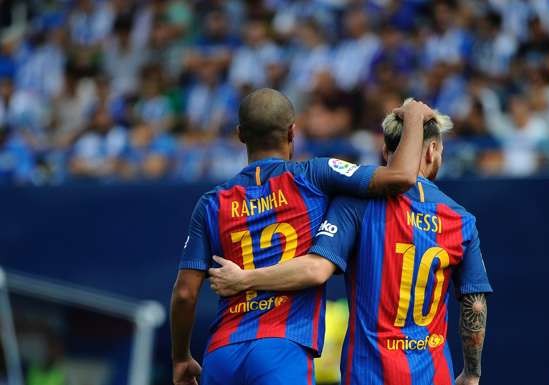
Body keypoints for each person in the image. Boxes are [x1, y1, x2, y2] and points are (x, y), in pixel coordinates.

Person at [209, 103, 493, 385]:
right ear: (432, 151)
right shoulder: (462, 219)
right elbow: (475, 305)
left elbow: (316, 268)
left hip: (369, 374)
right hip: (435, 374)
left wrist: (246, 278)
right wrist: (471, 372)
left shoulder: (355, 203)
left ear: (385, 151)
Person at [170, 88, 436, 385]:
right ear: (292, 132)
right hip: (283, 347)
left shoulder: (211, 202)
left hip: (222, 352)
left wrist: (181, 357)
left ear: (240, 135)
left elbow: (185, 294)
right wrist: (413, 116)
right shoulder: (313, 175)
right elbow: (401, 177)